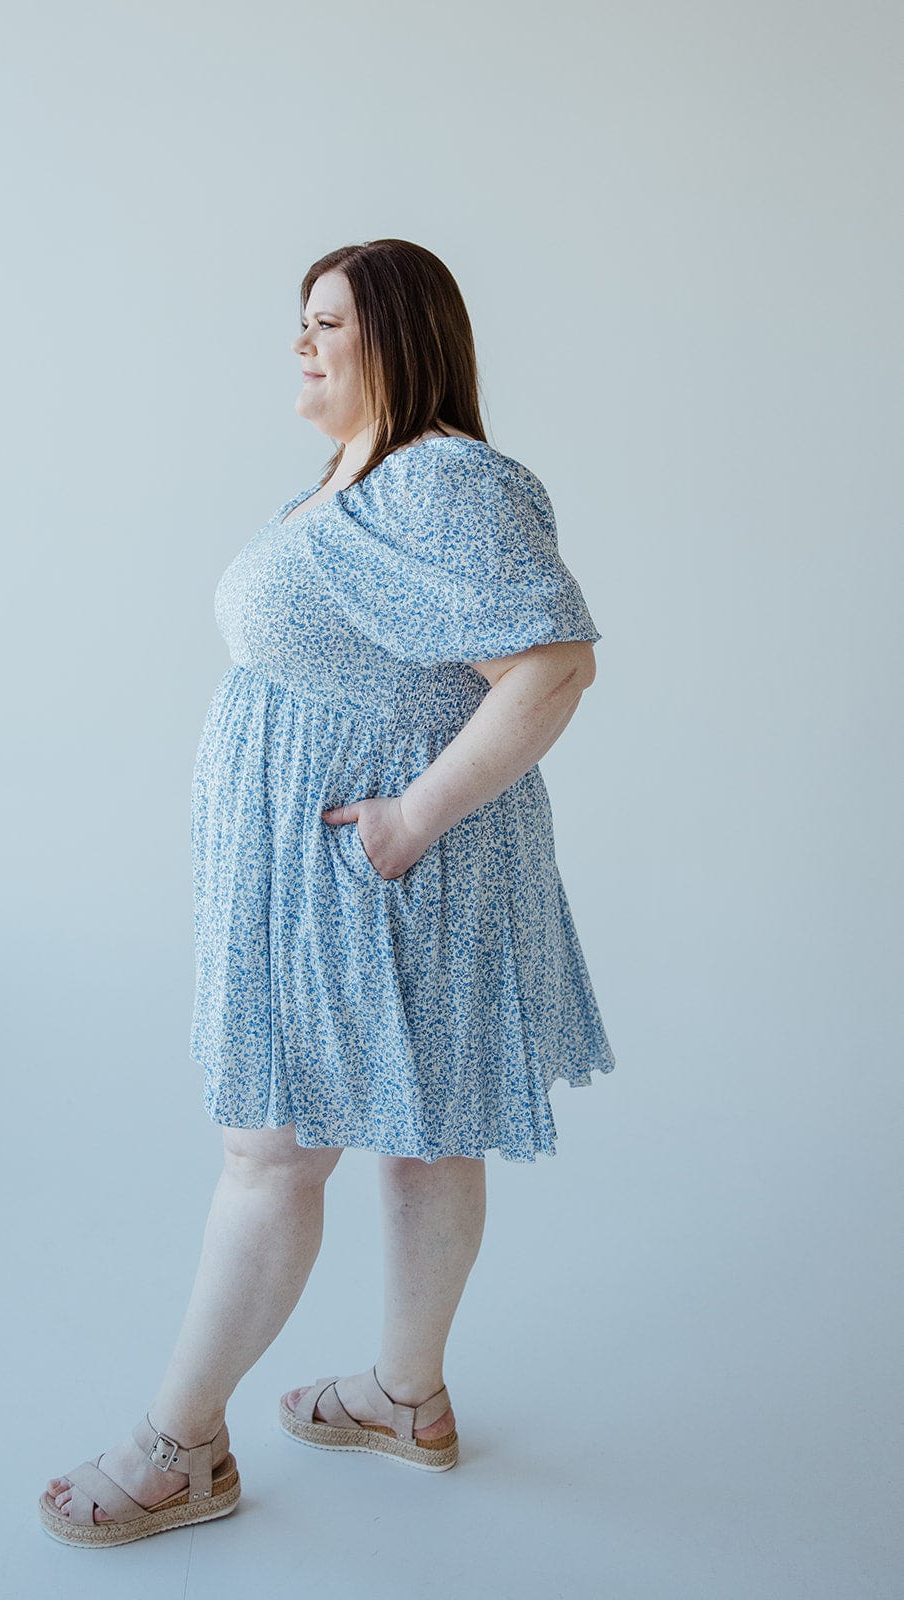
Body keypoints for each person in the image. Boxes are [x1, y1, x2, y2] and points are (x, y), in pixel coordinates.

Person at [39, 238, 616, 1547]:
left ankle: (179, 1447)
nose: (301, 345)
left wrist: (411, 820)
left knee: (273, 1151)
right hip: (340, 881)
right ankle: (403, 1400)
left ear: (402, 336)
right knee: (415, 1135)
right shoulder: (349, 481)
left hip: (388, 873)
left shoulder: (443, 478)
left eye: (328, 323)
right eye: (297, 323)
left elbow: (552, 666)